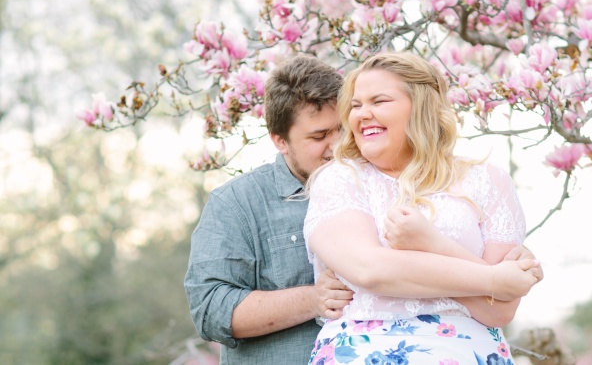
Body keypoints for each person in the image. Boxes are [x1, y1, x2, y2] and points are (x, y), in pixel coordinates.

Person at [304, 51, 542, 365]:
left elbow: (498, 309)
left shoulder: (488, 181)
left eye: (379, 101)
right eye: (356, 105)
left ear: (421, 107)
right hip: (365, 351)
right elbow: (370, 270)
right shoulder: (340, 179)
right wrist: (493, 280)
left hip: (470, 352)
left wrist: (431, 243)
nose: (362, 114)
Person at [184, 55, 354, 364]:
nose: (338, 145)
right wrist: (314, 299)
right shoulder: (235, 204)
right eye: (319, 136)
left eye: (342, 129)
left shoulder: (376, 185)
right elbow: (209, 310)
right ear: (280, 141)